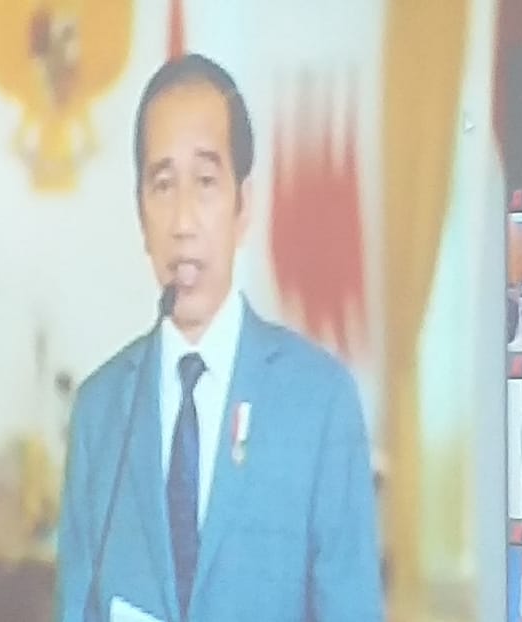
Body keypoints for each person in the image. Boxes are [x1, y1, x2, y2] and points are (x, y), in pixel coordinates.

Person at [55, 54, 383, 622]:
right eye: (163, 186)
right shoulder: (99, 413)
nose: (183, 221)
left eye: (206, 183)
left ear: (243, 206)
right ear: (141, 215)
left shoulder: (321, 402)